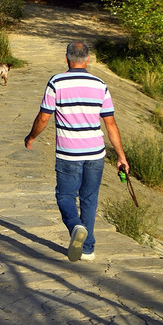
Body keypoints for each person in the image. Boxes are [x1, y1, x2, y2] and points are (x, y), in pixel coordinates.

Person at [23, 41, 129, 262]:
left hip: (69, 153)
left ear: (67, 58)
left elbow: (44, 117)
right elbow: (110, 124)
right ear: (88, 59)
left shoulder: (56, 82)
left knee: (65, 196)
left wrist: (31, 137)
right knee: (89, 198)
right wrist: (121, 156)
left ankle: (75, 227)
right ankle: (88, 249)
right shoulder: (101, 85)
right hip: (96, 154)